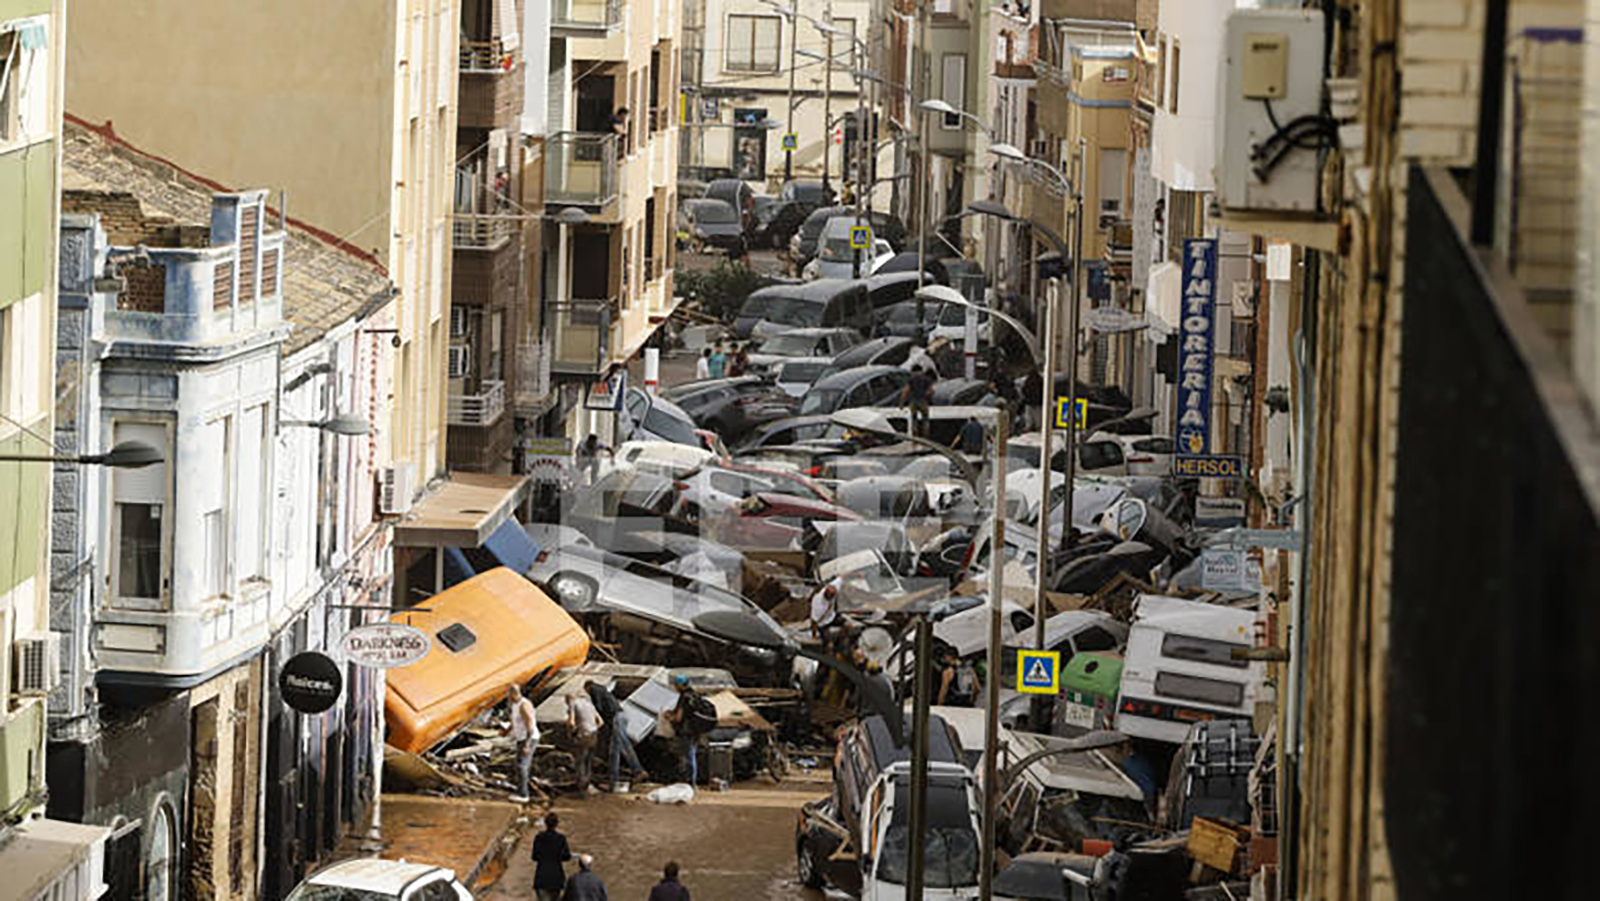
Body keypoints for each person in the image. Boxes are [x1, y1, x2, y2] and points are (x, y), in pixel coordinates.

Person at [586, 681, 644, 792]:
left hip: (616, 718)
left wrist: (596, 722)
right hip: (622, 716)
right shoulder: (604, 690)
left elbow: (598, 708)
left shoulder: (594, 689)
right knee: (623, 746)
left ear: (587, 687)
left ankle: (614, 780)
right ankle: (637, 770)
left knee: (615, 750)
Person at [665, 674, 711, 784]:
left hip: (686, 730)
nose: (675, 687)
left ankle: (689, 782)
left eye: (676, 685)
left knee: (687, 756)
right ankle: (692, 781)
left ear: (680, 685)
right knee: (692, 754)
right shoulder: (695, 695)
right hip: (696, 729)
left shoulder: (684, 697)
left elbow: (678, 718)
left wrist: (668, 717)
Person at [505, 684, 539, 803]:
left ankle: (524, 795)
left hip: (528, 738)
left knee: (522, 766)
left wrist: (527, 744)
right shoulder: (515, 705)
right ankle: (521, 789)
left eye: (509, 694)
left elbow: (530, 724)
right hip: (521, 738)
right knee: (520, 765)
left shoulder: (524, 705)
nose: (508, 697)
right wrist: (507, 730)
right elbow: (514, 721)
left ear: (514, 693)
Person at [567, 686, 603, 795]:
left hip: (583, 736)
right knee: (588, 761)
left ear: (569, 698)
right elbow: (601, 722)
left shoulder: (573, 704)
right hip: (593, 735)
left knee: (580, 761)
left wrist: (572, 732)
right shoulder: (590, 704)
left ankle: (581, 789)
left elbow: (571, 722)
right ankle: (587, 784)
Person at [530, 812, 572, 901]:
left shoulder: (539, 837)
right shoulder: (561, 838)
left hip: (542, 877)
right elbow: (567, 856)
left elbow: (534, 856)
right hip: (556, 878)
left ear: (545, 823)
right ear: (556, 824)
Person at [901, 363, 934, 438]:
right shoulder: (926, 379)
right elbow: (932, 391)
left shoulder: (911, 380)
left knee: (914, 420)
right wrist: (926, 395)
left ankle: (915, 437)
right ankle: (926, 437)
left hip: (913, 401)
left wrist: (901, 404)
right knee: (925, 420)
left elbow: (905, 391)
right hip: (923, 402)